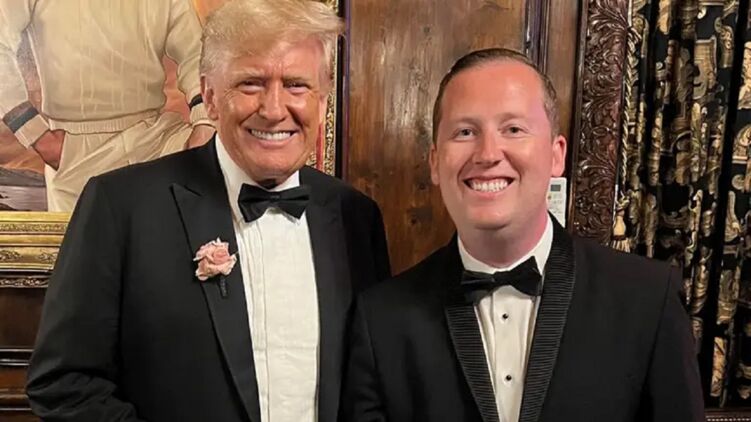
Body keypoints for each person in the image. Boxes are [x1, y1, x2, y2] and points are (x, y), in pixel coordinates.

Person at [26, 1, 390, 421]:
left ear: (322, 100)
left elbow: (372, 386)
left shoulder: (356, 217)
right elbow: (64, 384)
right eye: (251, 84)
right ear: (210, 96)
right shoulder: (119, 207)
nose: (274, 110)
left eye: (296, 85)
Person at [341, 48, 704, 422]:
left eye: (513, 129)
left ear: (556, 154)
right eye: (465, 132)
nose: (487, 153)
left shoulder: (648, 299)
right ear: (435, 162)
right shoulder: (381, 319)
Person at [0, 0, 215, 212]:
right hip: (77, 153)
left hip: (157, 140)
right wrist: (36, 135)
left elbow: (196, 53)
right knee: (82, 236)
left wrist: (205, 122)